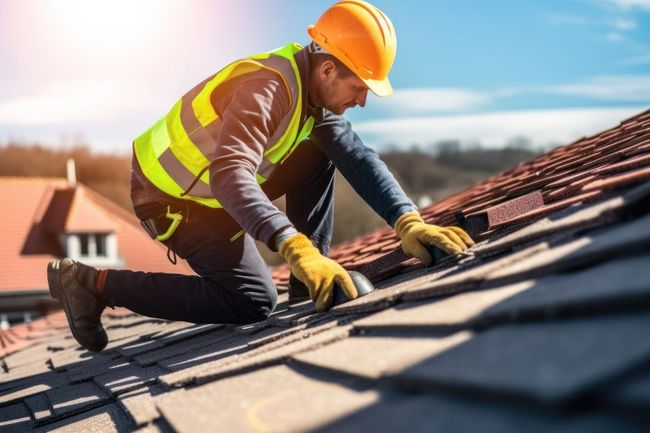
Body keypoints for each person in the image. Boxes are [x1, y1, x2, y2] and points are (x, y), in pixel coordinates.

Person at [47, 0, 474, 352]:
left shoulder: (314, 100)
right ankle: (91, 283)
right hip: (173, 201)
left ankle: (309, 284)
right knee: (252, 300)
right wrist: (294, 248)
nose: (362, 101)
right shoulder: (266, 87)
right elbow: (231, 174)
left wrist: (408, 221)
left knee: (325, 151)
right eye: (360, 87)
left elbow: (358, 157)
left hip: (215, 189)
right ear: (328, 71)